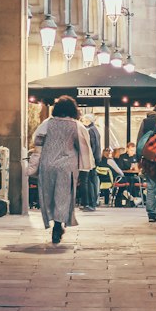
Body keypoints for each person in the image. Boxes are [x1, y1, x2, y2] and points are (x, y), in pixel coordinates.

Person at [32, 95, 89, 244]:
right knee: (63, 196)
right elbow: (83, 147)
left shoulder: (46, 124)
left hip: (47, 164)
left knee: (48, 195)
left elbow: (37, 140)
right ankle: (58, 226)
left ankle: (52, 221)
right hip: (66, 166)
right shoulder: (77, 126)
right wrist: (84, 169)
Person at [136, 102, 156, 223]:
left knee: (150, 186)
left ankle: (151, 213)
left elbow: (139, 140)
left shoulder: (145, 121)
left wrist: (139, 158)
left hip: (148, 157)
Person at [79, 114, 102, 210]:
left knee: (86, 181)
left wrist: (88, 157)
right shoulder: (95, 129)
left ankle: (88, 203)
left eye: (84, 120)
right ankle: (92, 203)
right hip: (95, 159)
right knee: (91, 181)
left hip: (90, 159)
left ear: (88, 121)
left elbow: (92, 146)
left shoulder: (90, 130)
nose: (83, 122)